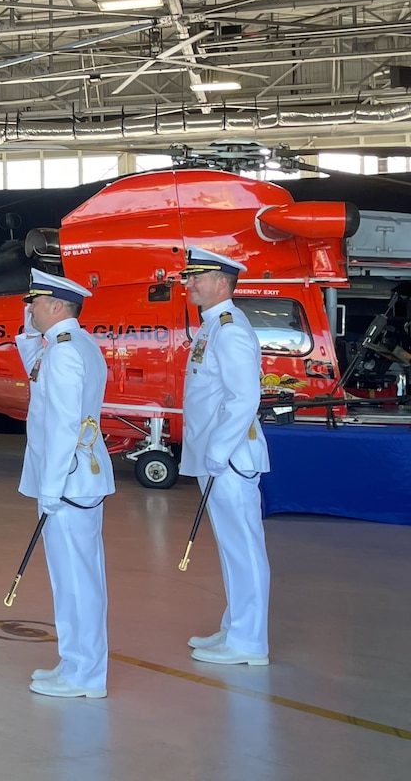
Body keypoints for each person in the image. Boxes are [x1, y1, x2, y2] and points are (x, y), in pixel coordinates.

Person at [15, 269, 113, 699]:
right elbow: (34, 368)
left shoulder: (64, 353)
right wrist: (28, 327)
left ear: (56, 307)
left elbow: (62, 425)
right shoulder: (74, 345)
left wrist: (50, 487)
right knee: (71, 578)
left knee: (77, 578)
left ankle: (87, 672)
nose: (29, 307)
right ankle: (75, 663)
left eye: (34, 302)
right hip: (75, 479)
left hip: (68, 483)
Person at [180, 245, 271, 667]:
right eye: (190, 275)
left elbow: (243, 398)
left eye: (197, 276)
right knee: (232, 547)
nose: (189, 283)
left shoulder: (230, 328)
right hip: (217, 456)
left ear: (221, 282)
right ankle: (236, 628)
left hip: (230, 458)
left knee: (244, 548)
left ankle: (250, 642)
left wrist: (216, 451)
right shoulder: (211, 326)